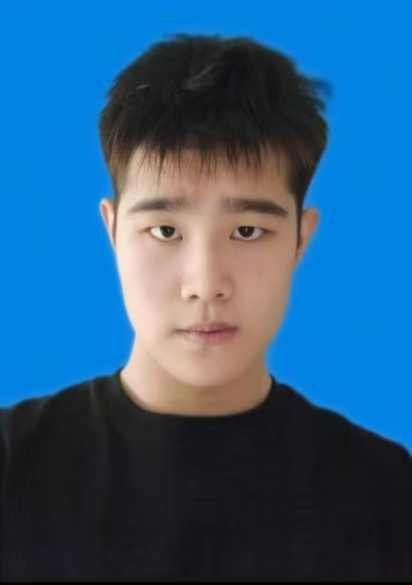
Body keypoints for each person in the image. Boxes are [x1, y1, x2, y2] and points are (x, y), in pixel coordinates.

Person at [0, 32, 410, 582]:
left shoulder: (387, 492)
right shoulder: (10, 465)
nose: (206, 284)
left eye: (247, 230)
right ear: (112, 231)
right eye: (165, 230)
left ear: (300, 238)